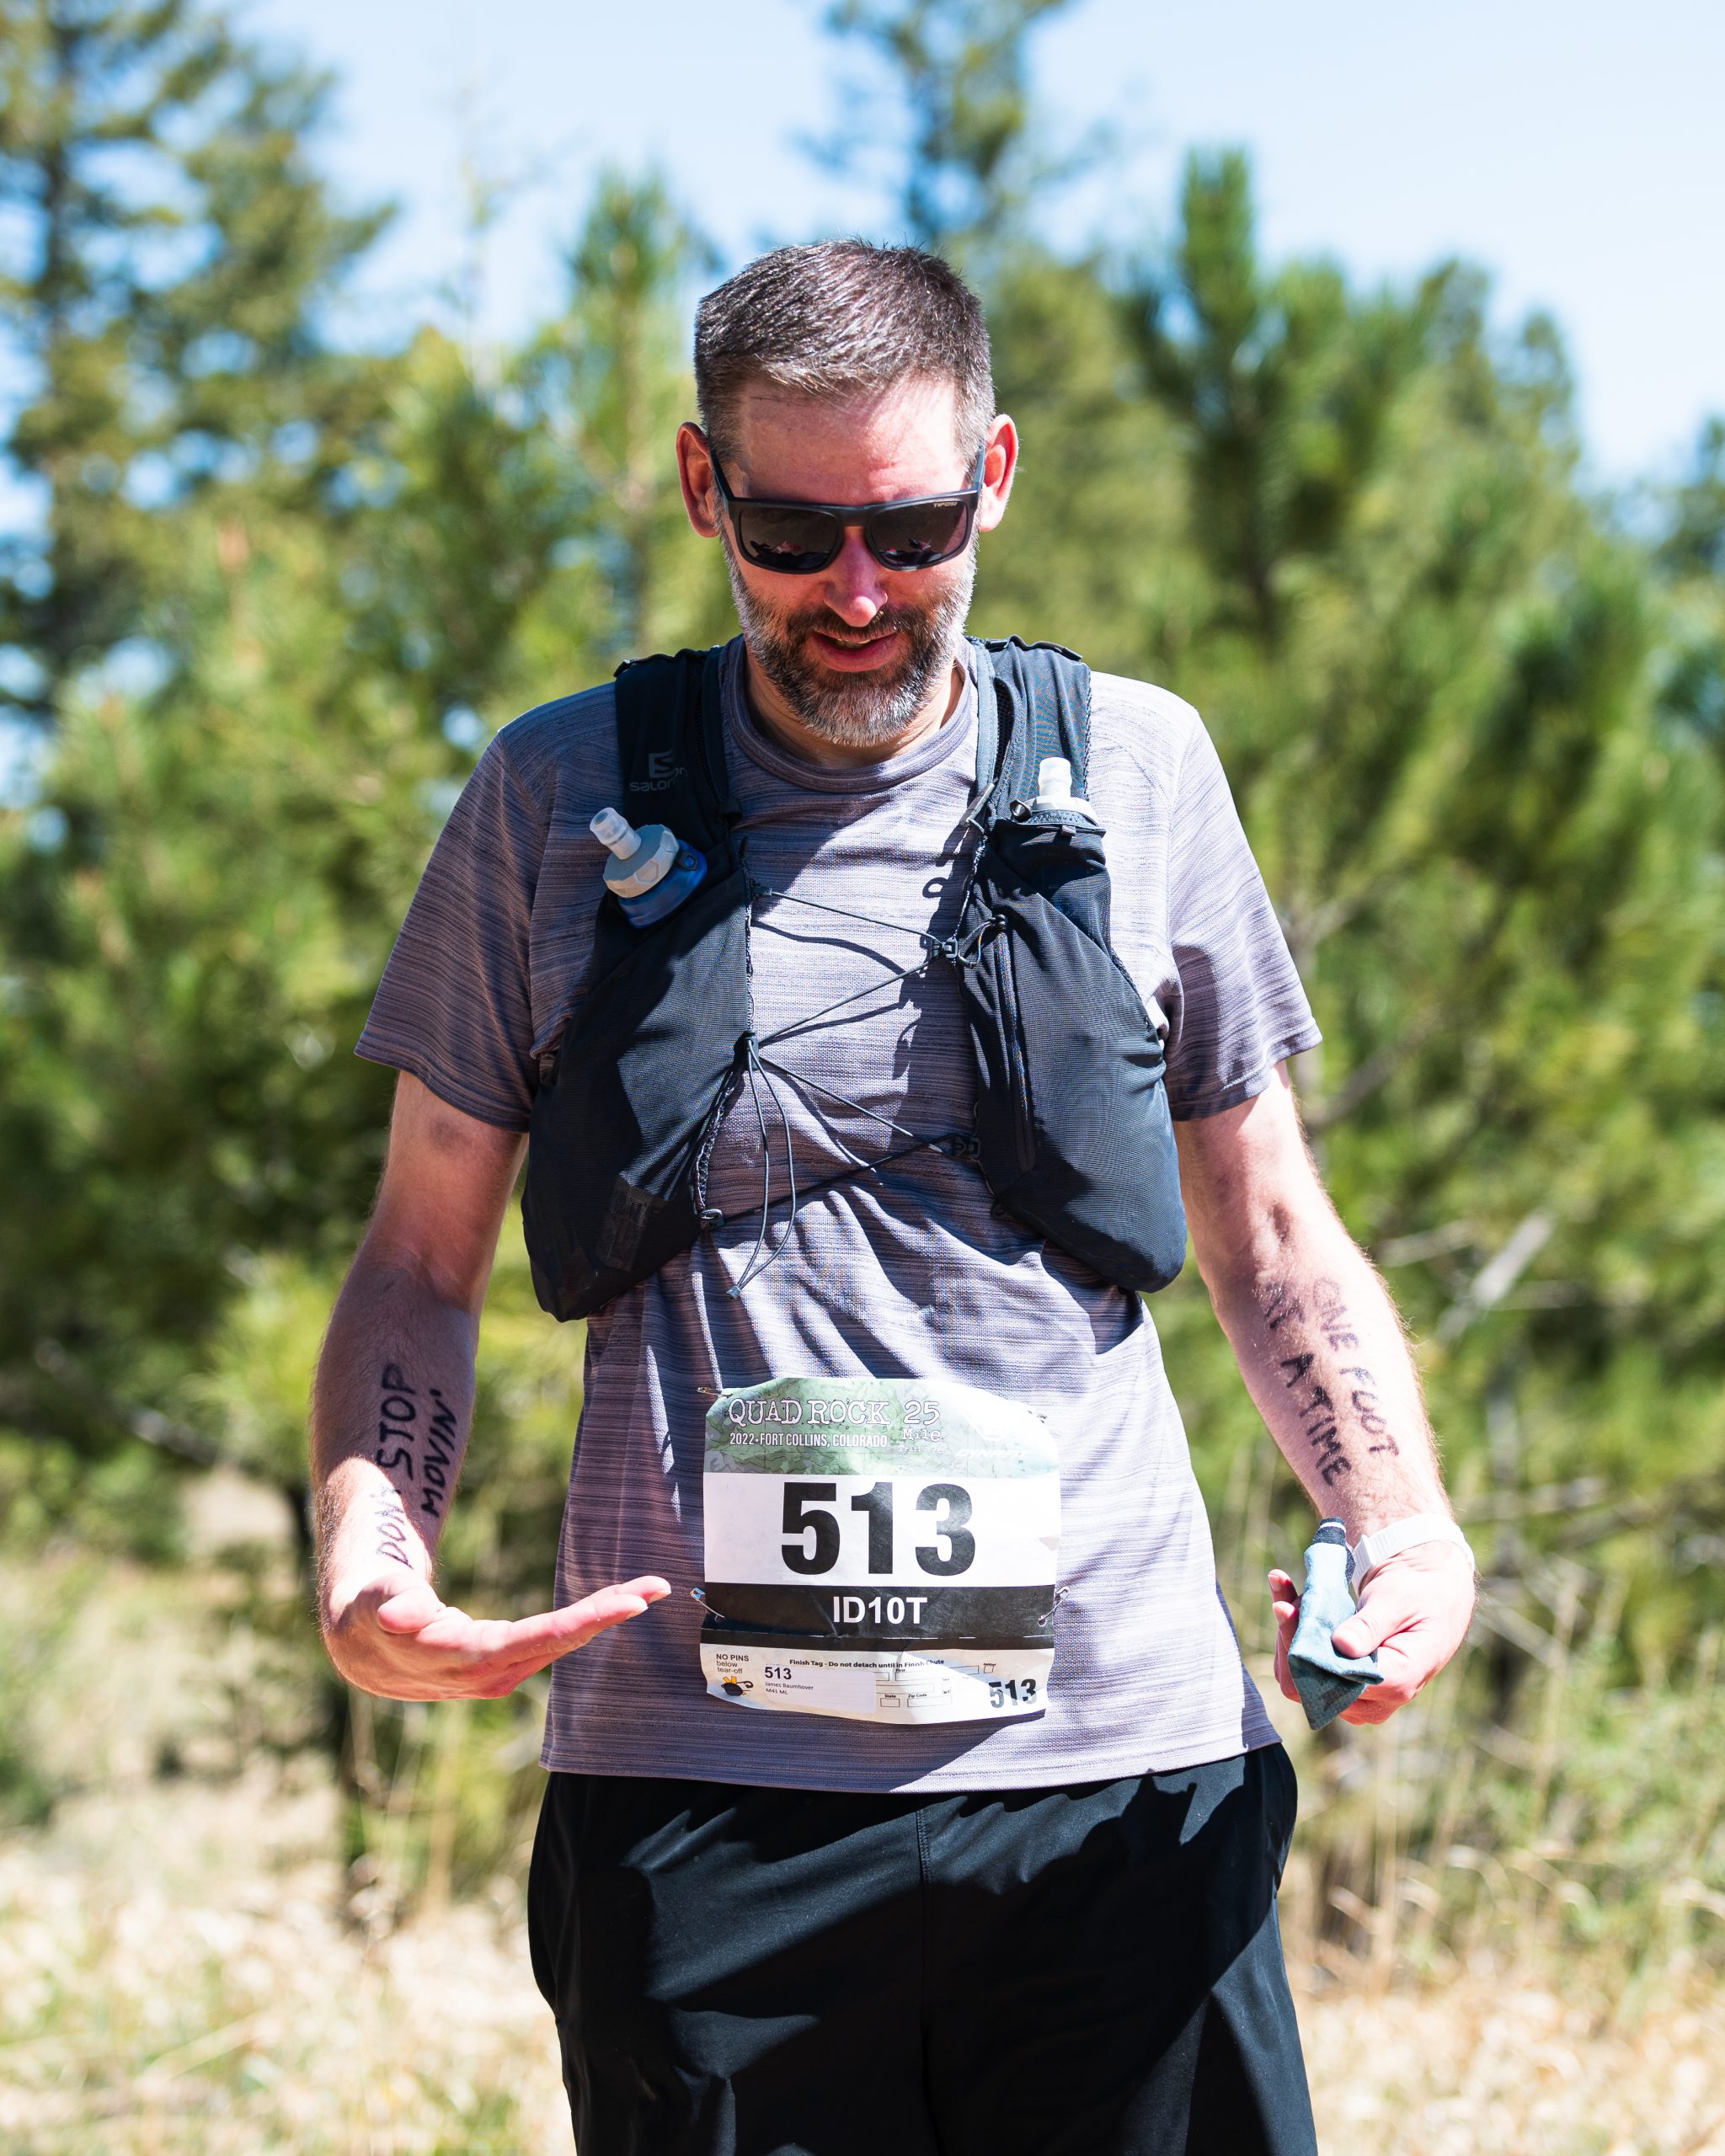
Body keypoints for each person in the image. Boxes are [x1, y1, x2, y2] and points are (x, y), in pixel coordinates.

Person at [311, 239, 1476, 2156]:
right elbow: (418, 1258)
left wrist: (1401, 1524)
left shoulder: (1143, 768)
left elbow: (1272, 1228)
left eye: (912, 529)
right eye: (794, 534)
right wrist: (375, 1558)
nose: (858, 592)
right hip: (700, 1802)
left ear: (993, 478)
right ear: (705, 491)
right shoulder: (553, 794)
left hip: (1121, 1781)